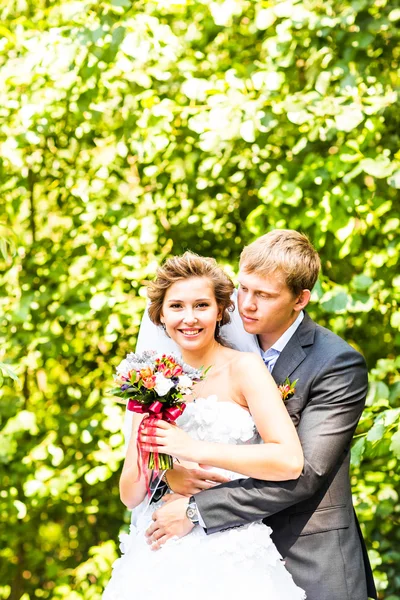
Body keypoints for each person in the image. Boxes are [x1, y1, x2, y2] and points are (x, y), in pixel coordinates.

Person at [132, 230, 377, 600]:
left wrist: (197, 511)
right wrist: (170, 471)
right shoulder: (203, 352)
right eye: (243, 288)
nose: (246, 304)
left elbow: (306, 473)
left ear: (300, 300)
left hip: (307, 560)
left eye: (263, 295)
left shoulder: (336, 364)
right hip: (209, 560)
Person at [103, 251, 306, 600]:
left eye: (201, 305)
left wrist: (193, 449)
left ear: (220, 310)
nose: (189, 318)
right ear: (161, 314)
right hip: (158, 546)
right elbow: (130, 494)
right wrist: (163, 470)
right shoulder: (148, 382)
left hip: (229, 546)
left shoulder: (245, 369)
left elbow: (289, 460)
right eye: (177, 307)